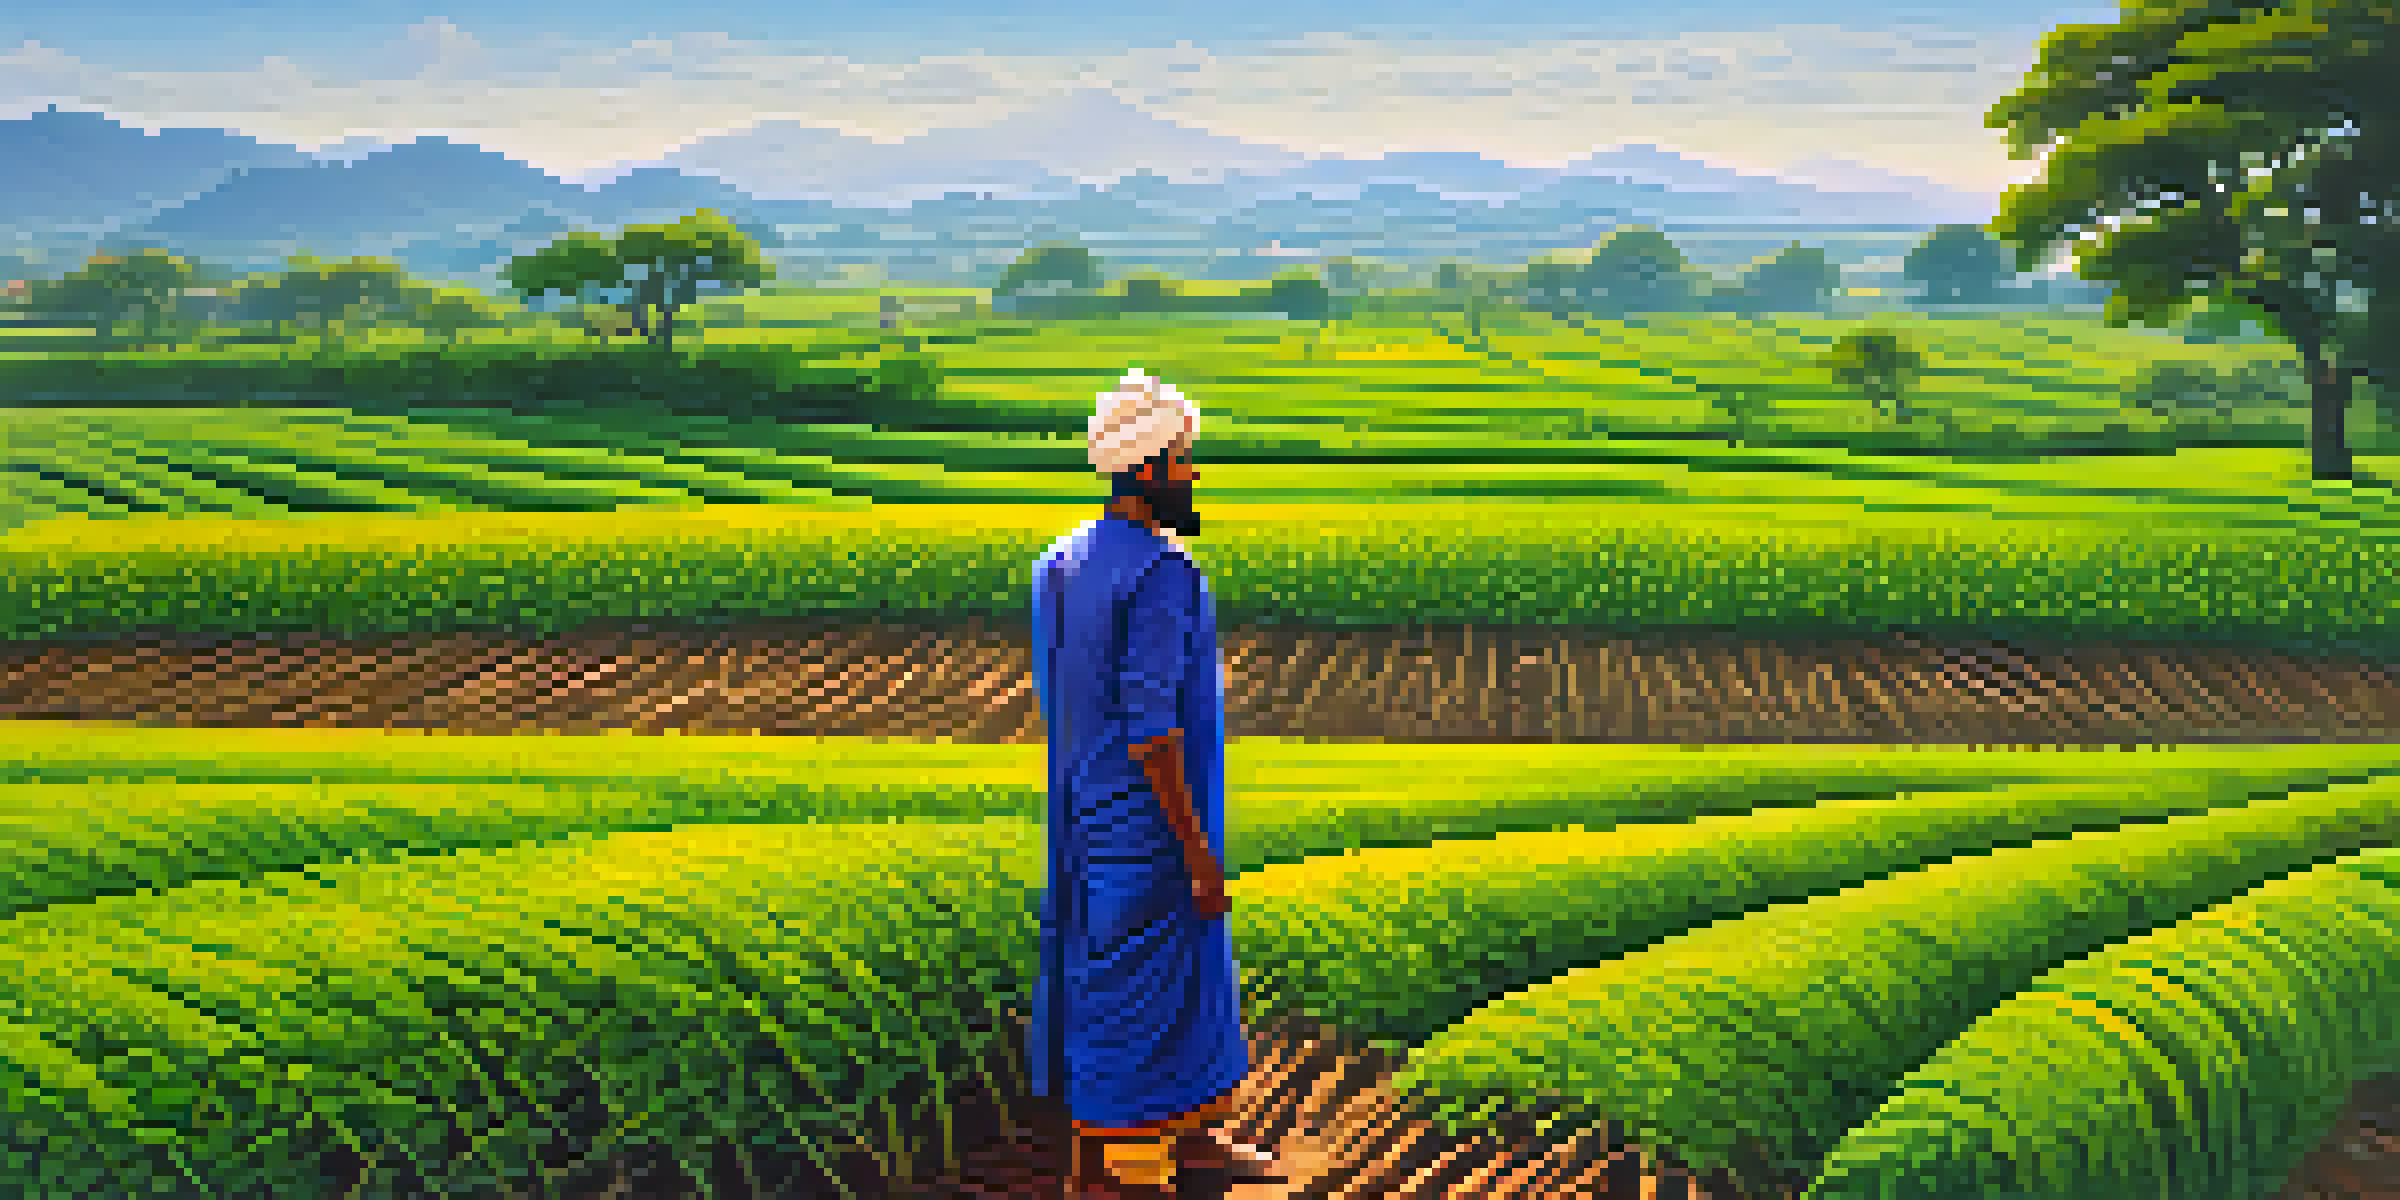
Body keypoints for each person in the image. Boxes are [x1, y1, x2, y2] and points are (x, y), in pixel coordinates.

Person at [1027, 368, 1279, 1198]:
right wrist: (1197, 848)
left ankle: (1194, 1136)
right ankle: (1135, 1169)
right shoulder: (1165, 573)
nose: (1191, 473)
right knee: (1138, 993)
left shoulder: (1060, 561)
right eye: (1182, 459)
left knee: (1143, 972)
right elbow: (1152, 728)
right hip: (1148, 824)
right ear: (1145, 471)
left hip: (1083, 812)